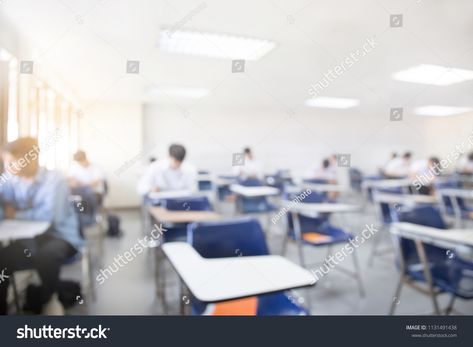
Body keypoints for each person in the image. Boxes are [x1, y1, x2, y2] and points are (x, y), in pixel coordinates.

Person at [0, 137, 82, 315]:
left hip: (59, 236)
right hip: (27, 240)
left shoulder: (55, 180)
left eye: (10, 162)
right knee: (2, 259)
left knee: (46, 256)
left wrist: (16, 214)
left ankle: (48, 300)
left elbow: (52, 216)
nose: (6, 167)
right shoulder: (9, 182)